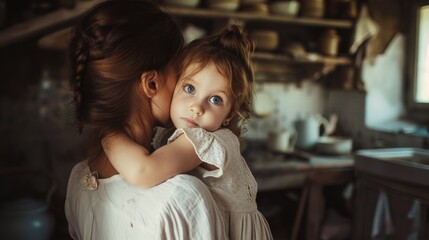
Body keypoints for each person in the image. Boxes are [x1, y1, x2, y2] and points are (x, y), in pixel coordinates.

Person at [64, 0, 228, 239]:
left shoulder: (78, 179)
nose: (184, 83)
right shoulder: (182, 200)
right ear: (151, 83)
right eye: (179, 71)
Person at [102, 24, 273, 240]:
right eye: (190, 89)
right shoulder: (169, 135)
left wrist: (107, 133)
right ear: (175, 85)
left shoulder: (206, 141)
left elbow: (143, 172)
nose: (197, 107)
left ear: (229, 115)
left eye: (215, 100)